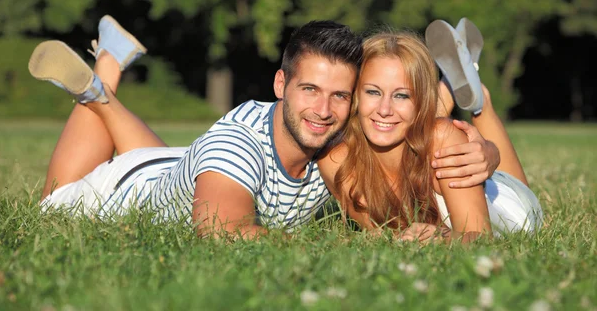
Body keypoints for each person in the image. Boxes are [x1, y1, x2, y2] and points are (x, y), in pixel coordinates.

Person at [30, 16, 500, 238]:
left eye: (340, 95)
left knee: (174, 160)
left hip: (179, 164)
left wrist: (485, 151)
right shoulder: (235, 150)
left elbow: (413, 121)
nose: (323, 109)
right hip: (125, 189)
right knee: (51, 204)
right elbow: (222, 231)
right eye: (309, 90)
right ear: (280, 82)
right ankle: (100, 83)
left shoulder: (344, 130)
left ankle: (107, 74)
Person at [318, 19, 543, 242]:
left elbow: (480, 238)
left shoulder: (443, 137)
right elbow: (382, 235)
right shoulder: (337, 161)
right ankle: (448, 86)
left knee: (441, 126)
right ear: (356, 94)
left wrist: (442, 238)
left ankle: (479, 98)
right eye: (373, 92)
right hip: (427, 143)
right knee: (407, 122)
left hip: (506, 204)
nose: (384, 109)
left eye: (402, 95)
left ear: (422, 101)